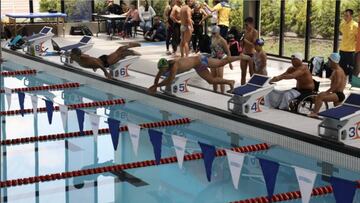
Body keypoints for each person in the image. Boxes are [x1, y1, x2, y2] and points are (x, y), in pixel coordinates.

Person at [148, 54, 251, 94]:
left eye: (163, 70)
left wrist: (156, 86)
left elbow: (170, 80)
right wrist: (154, 85)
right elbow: (158, 75)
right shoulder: (164, 65)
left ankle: (239, 56)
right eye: (161, 70)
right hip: (197, 66)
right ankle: (230, 82)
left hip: (200, 59)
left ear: (166, 66)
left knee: (221, 63)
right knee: (210, 80)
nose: (162, 71)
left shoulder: (174, 65)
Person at [69, 42, 141, 79]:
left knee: (120, 53)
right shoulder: (73, 56)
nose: (80, 55)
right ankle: (129, 48)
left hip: (105, 62)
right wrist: (92, 66)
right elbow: (89, 57)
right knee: (119, 52)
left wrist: (106, 72)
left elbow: (97, 63)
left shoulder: (81, 58)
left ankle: (131, 50)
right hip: (101, 58)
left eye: (79, 54)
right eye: (79, 54)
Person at [308, 53, 346, 118]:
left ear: (333, 61)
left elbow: (337, 84)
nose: (328, 62)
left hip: (338, 94)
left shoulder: (338, 71)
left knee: (320, 96)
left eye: (329, 61)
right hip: (337, 94)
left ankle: (315, 113)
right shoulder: (337, 70)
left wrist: (327, 92)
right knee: (340, 114)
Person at [210, 25, 233, 93]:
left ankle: (222, 93)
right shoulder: (212, 38)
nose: (213, 34)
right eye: (212, 33)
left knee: (220, 78)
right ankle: (215, 91)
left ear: (218, 32)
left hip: (220, 60)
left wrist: (230, 63)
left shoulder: (222, 41)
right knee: (213, 78)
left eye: (214, 33)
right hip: (213, 59)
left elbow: (228, 52)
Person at [339, 9, 358, 82]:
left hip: (351, 51)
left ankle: (351, 81)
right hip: (342, 49)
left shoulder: (355, 25)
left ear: (351, 16)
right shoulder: (342, 24)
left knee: (351, 67)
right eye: (344, 15)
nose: (345, 17)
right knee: (341, 67)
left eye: (347, 15)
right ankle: (341, 80)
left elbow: (357, 38)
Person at [240, 17, 258, 85]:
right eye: (245, 25)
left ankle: (253, 89)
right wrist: (241, 42)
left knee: (252, 73)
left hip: (251, 54)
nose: (246, 27)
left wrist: (245, 40)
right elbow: (242, 44)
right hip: (244, 53)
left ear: (251, 24)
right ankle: (242, 88)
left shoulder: (255, 32)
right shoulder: (245, 32)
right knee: (243, 74)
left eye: (247, 25)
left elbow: (253, 45)